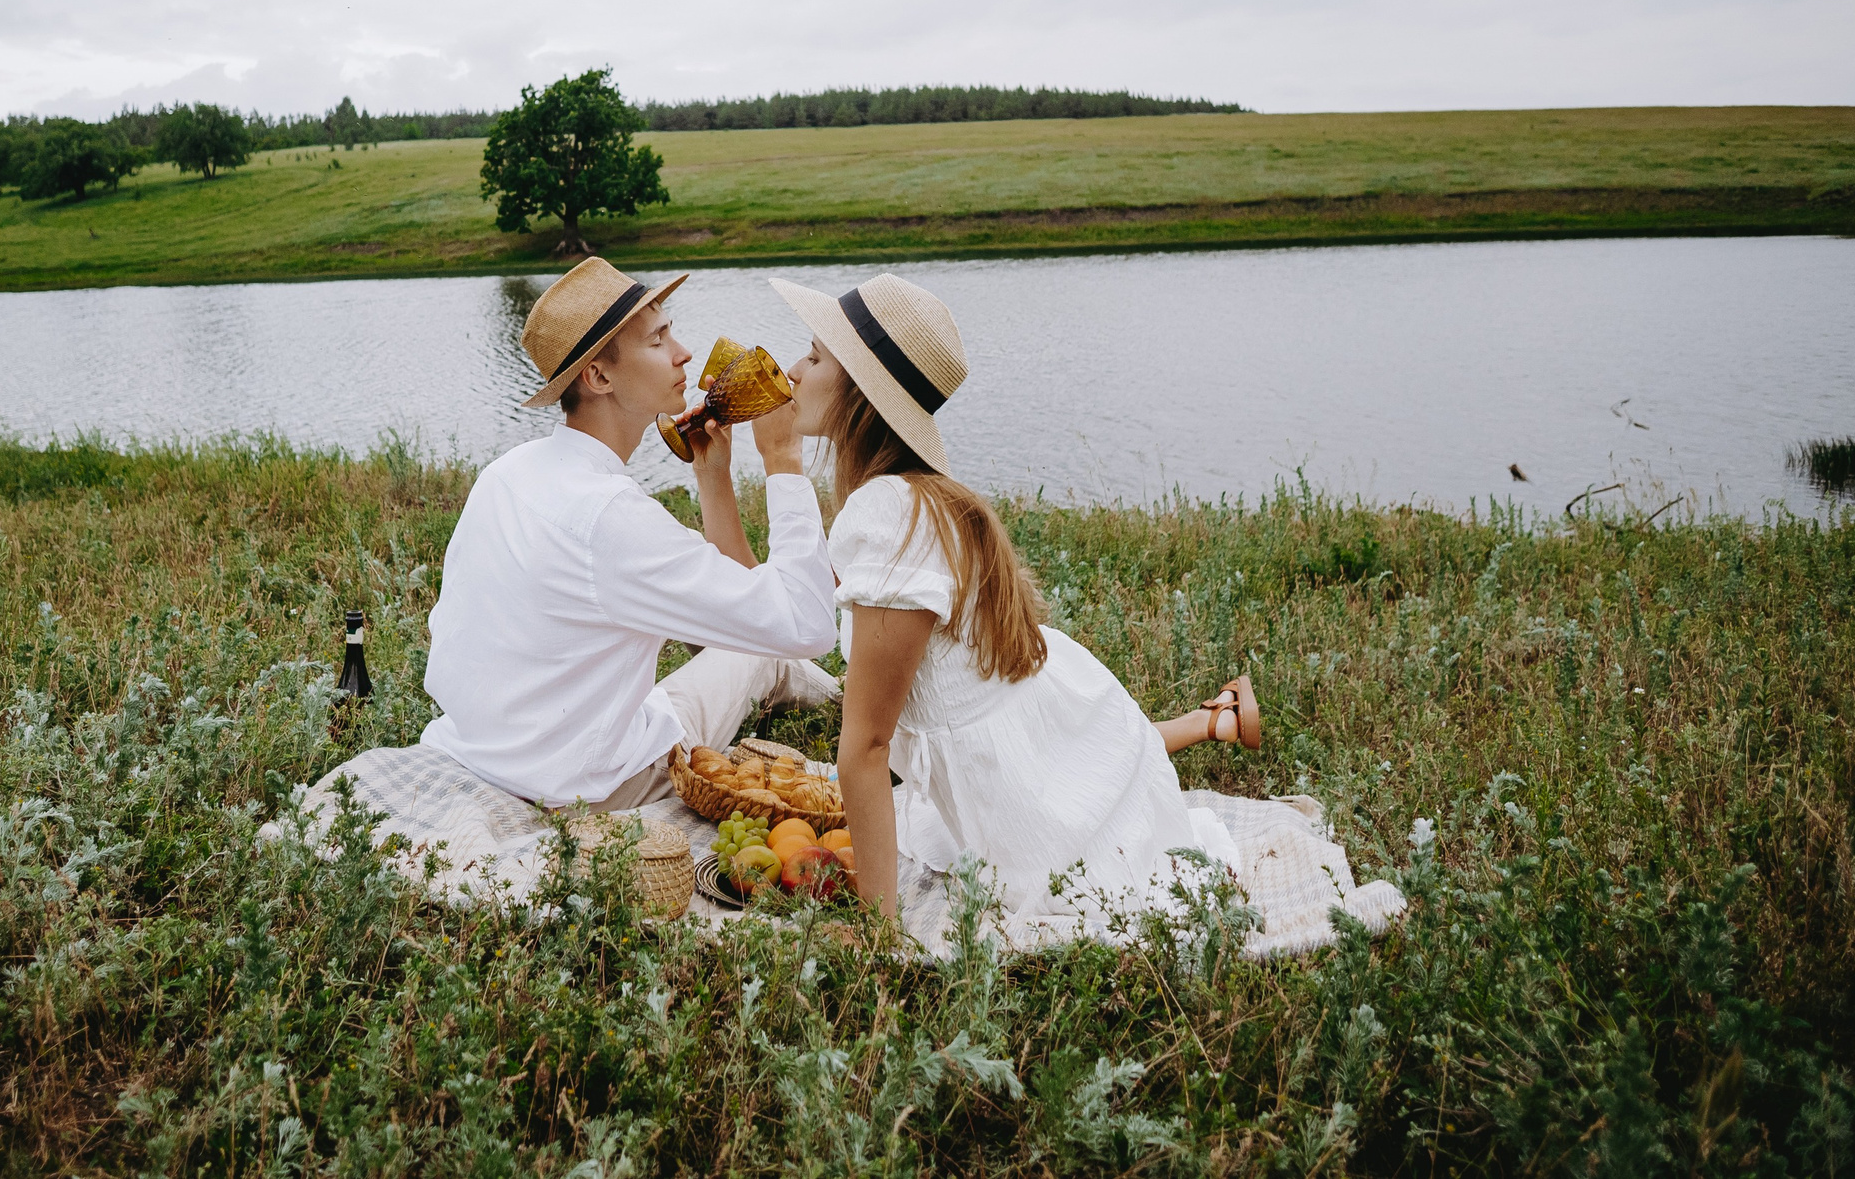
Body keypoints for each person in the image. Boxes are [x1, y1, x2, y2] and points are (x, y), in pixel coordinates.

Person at [770, 272, 1255, 923]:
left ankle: (1214, 720)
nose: (793, 370)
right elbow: (782, 610)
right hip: (1047, 734)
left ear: (859, 392)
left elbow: (866, 747)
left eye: (815, 355)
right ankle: (1215, 718)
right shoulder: (911, 498)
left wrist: (879, 936)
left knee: (1087, 904)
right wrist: (738, 470)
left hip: (1026, 791)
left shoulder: (886, 516)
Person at [420, 256, 841, 809]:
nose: (684, 353)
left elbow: (742, 615)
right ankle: (851, 707)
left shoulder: (507, 473)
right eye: (658, 340)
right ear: (598, 376)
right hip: (591, 783)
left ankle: (835, 700)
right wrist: (783, 457)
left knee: (751, 646)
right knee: (759, 656)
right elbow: (805, 623)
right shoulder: (612, 519)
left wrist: (712, 475)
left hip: (485, 751)